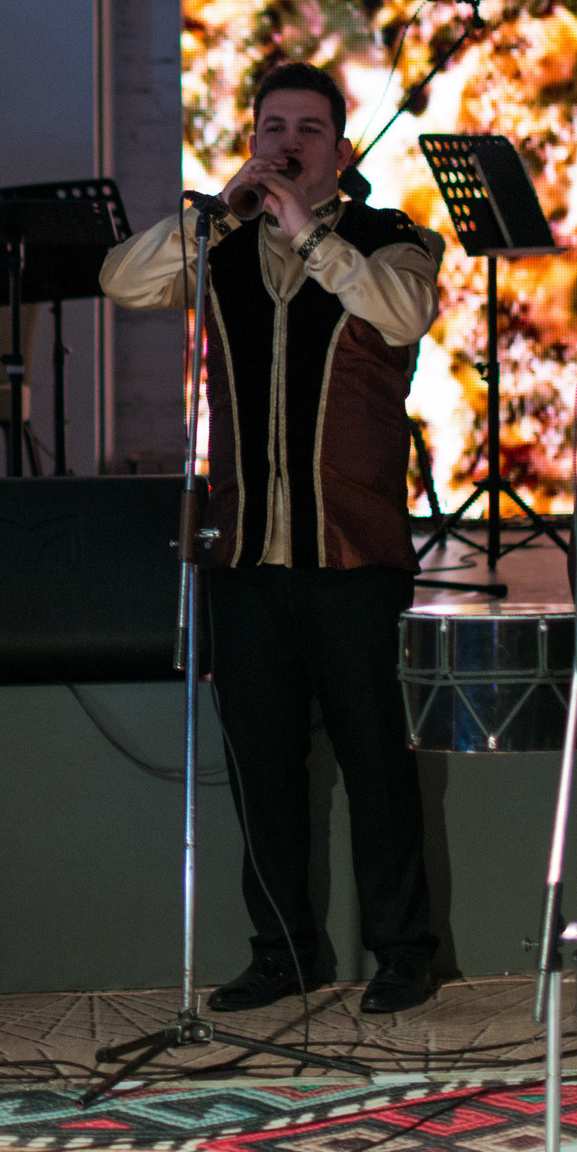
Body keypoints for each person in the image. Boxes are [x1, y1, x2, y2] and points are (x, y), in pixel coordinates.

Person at [101, 59, 445, 1016]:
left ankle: (405, 951)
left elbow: (404, 312)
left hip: (353, 551)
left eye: (306, 128)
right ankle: (283, 948)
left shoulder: (394, 242)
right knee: (262, 764)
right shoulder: (218, 241)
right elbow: (121, 280)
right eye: (270, 126)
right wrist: (214, 212)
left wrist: (310, 234)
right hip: (245, 551)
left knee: (378, 761)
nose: (286, 142)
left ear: (340, 147)